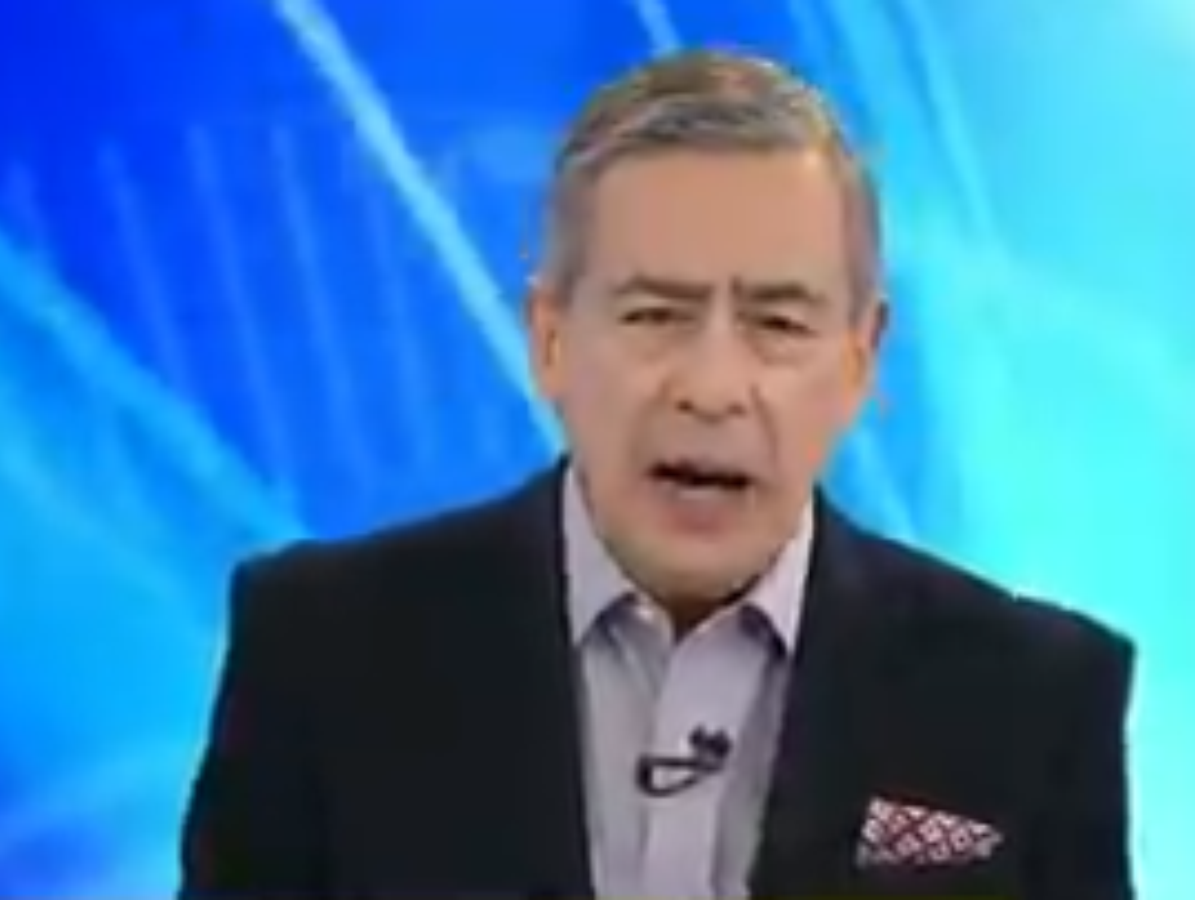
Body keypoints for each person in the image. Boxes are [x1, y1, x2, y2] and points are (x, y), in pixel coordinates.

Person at [179, 49, 1135, 899]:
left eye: (778, 323)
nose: (712, 388)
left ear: (861, 359)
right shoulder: (321, 651)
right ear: (550, 340)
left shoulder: (1036, 698)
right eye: (654, 315)